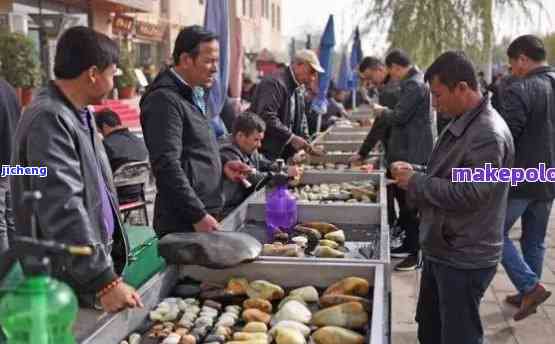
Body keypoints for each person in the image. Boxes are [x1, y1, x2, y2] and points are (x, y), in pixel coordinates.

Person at [10, 26, 142, 312]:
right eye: (112, 73)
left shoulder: (78, 112)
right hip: (67, 275)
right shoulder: (50, 118)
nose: (115, 81)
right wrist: (102, 279)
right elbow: (62, 203)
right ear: (93, 74)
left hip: (85, 267)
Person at [392, 51, 514, 344]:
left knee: (459, 335)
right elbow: (455, 175)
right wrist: (418, 171)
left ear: (462, 87)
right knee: (431, 329)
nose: (434, 103)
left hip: (464, 254)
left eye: (438, 94)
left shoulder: (486, 134)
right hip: (444, 247)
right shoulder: (464, 121)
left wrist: (417, 182)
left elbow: (472, 194)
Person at [140, 25, 250, 237]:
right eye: (208, 61)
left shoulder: (194, 93)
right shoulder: (164, 100)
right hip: (185, 220)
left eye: (216, 61)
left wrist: (220, 165)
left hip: (204, 211)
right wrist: (196, 215)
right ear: (186, 59)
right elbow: (166, 164)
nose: (215, 69)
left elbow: (194, 149)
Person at [499, 34, 554, 320]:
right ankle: (526, 293)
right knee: (534, 240)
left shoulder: (521, 88)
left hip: (522, 177)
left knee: (494, 234)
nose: (512, 70)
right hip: (549, 177)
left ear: (522, 58)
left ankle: (530, 286)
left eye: (513, 64)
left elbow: (507, 137)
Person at [370, 49, 435, 271]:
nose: (392, 76)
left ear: (396, 67)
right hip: (408, 149)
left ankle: (417, 254)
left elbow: (400, 116)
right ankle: (409, 245)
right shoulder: (412, 83)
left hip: (413, 151)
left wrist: (381, 111)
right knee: (406, 205)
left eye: (392, 71)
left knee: (412, 205)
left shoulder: (414, 84)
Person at [350, 56, 401, 231]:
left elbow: (381, 124)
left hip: (399, 148)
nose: (369, 83)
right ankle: (400, 231)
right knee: (399, 193)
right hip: (396, 146)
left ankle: (403, 236)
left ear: (380, 69)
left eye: (370, 77)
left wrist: (363, 152)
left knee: (403, 196)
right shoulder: (389, 87)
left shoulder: (390, 91)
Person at [251, 49, 324, 160]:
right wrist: (291, 138)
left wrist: (307, 143)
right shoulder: (274, 82)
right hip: (265, 153)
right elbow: (266, 116)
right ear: (299, 65)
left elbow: (301, 119)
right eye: (312, 71)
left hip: (283, 156)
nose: (313, 77)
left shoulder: (298, 88)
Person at [220, 112, 300, 208]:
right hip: (228, 211)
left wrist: (285, 168)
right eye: (256, 140)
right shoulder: (228, 153)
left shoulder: (247, 148)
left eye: (260, 140)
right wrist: (284, 175)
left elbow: (265, 163)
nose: (259, 145)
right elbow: (254, 178)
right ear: (240, 136)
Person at [95, 109, 149, 203]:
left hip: (115, 197)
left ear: (104, 126)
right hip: (138, 194)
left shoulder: (105, 145)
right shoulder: (139, 141)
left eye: (99, 130)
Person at [0, 78, 20, 253]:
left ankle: (4, 274)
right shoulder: (10, 89)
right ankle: (17, 266)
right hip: (13, 164)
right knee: (12, 219)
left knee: (0, 224)